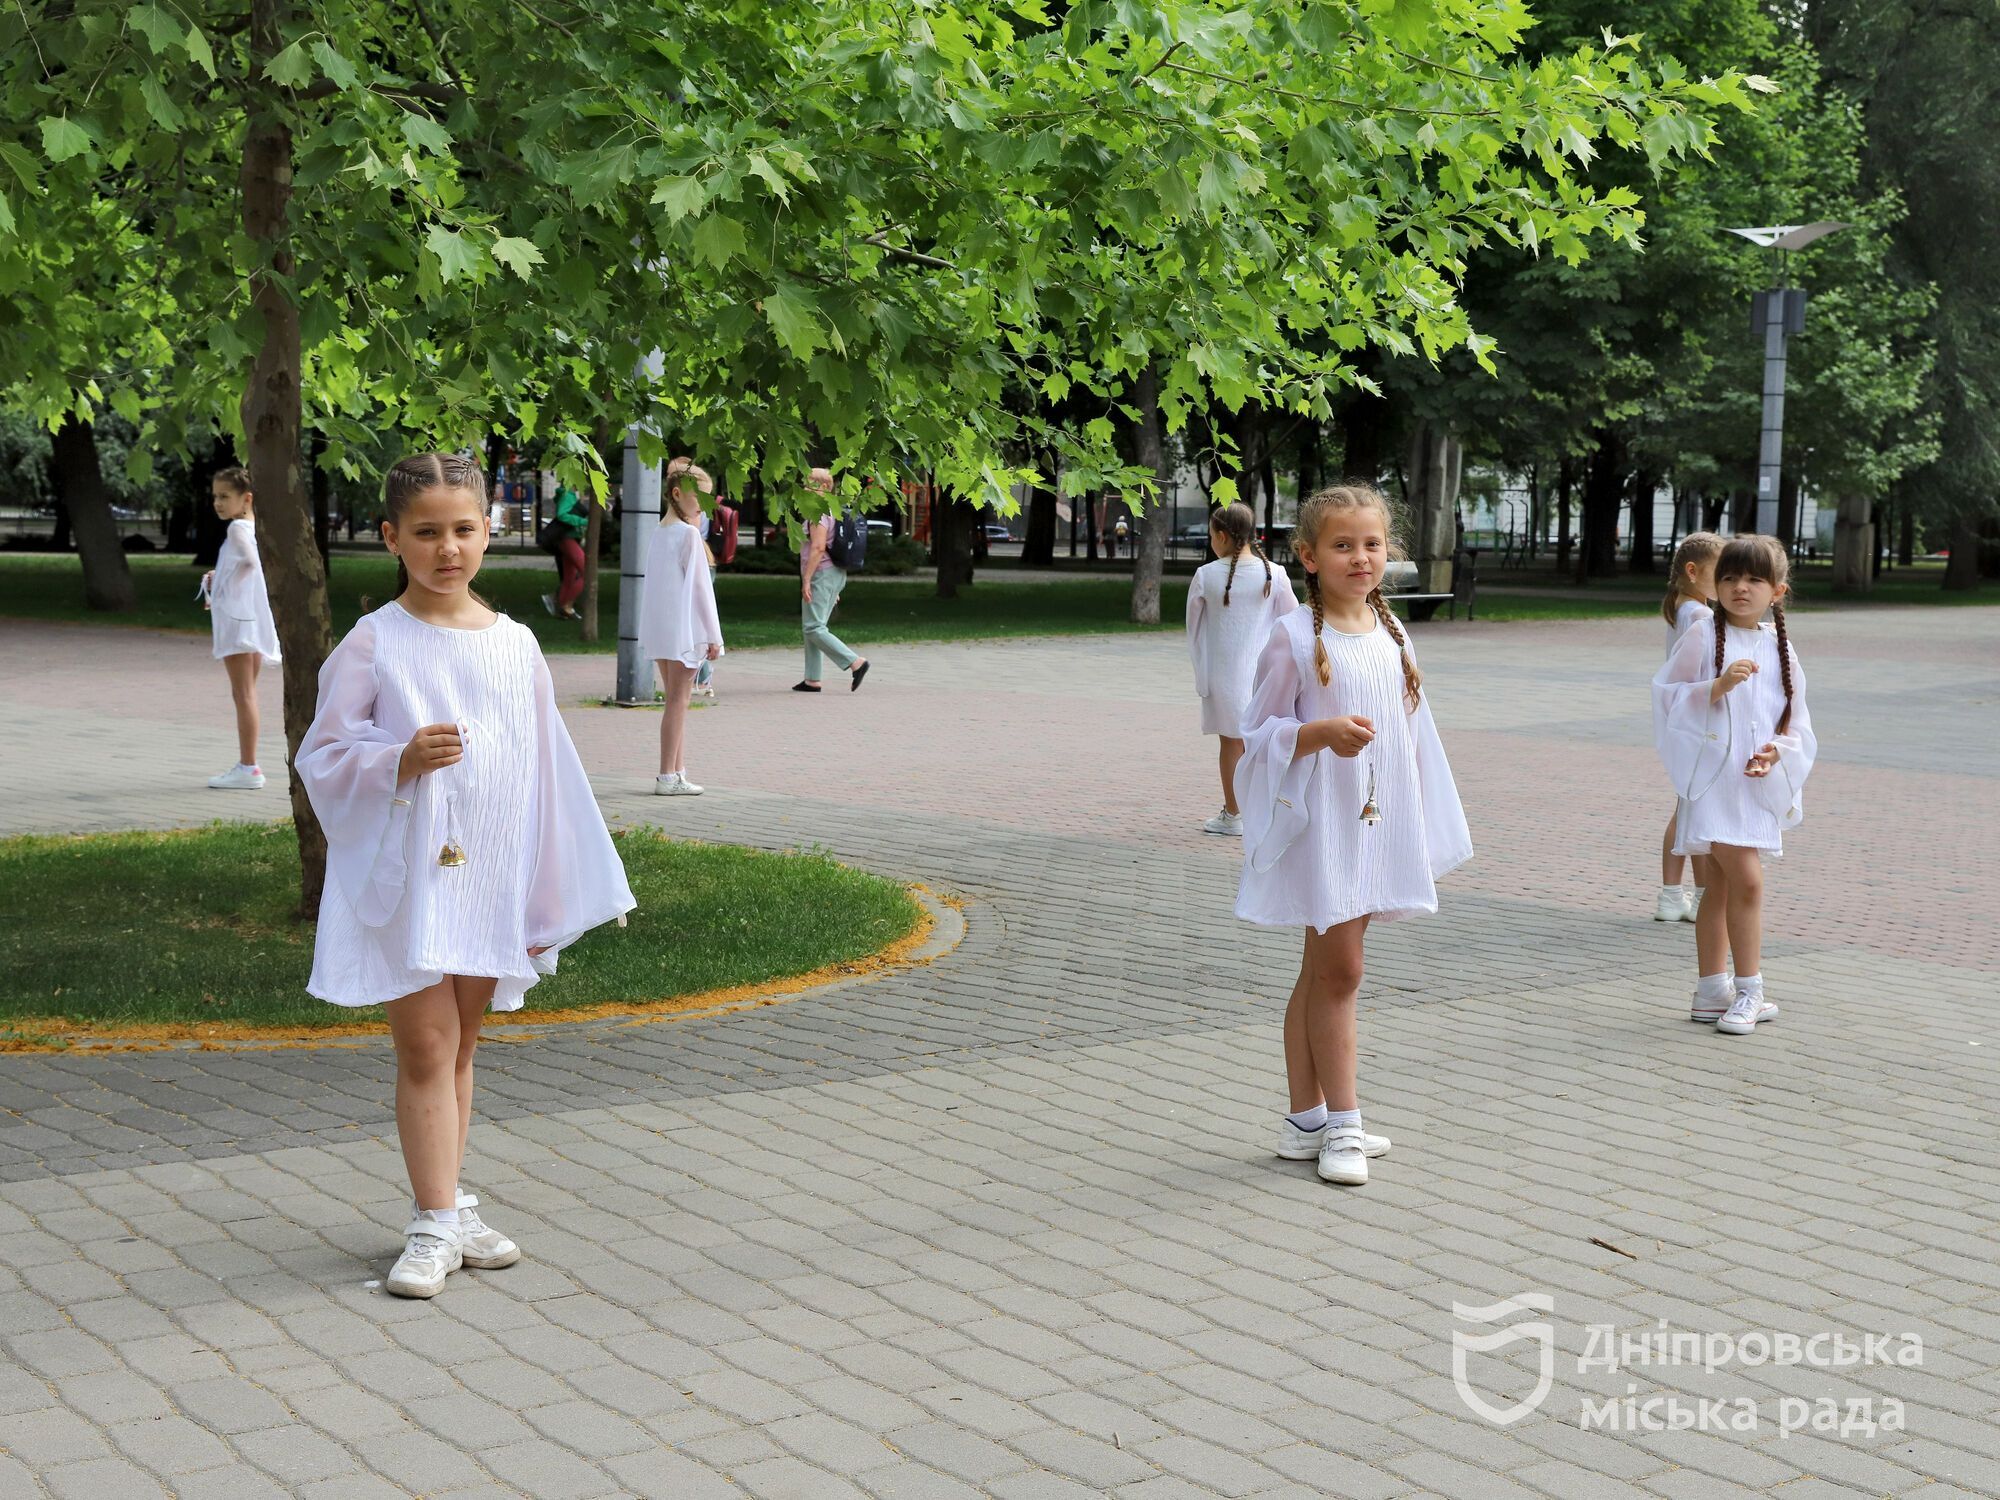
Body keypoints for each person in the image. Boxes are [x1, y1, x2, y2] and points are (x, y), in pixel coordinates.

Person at [297, 452, 635, 1299]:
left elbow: (546, 770)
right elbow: (324, 756)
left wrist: (549, 882)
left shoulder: (517, 645)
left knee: (463, 1048)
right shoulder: (375, 640)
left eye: (463, 530)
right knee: (425, 1044)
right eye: (426, 533)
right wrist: (400, 759)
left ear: (489, 531)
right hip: (411, 880)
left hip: (489, 875)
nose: (447, 548)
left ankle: (450, 1202)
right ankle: (432, 1222)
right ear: (391, 538)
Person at [1234, 485, 1471, 1187]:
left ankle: (1303, 1121)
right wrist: (1317, 735)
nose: (1360, 558)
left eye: (1371, 544)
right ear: (1308, 557)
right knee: (1343, 973)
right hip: (1326, 830)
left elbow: (1413, 736)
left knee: (1321, 971)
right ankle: (1344, 1124)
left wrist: (1423, 816)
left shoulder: (1394, 632)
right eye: (1342, 545)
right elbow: (1256, 735)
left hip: (1375, 825)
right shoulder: (1292, 637)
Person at [1653, 534, 1816, 1036]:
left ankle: (1710, 990)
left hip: (1752, 786)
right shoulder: (1703, 634)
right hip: (1714, 783)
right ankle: (1752, 991)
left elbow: (1797, 722)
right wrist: (1716, 687)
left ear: (1778, 590)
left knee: (1721, 888)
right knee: (1747, 881)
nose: (1739, 587)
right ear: (1714, 583)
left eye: (1753, 579)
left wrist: (1778, 752)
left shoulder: (1782, 648)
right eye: (1729, 577)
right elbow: (1666, 695)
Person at [1186, 502, 1297, 836]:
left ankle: (1234, 813)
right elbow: (1292, 624)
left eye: (1211, 535)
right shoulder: (1274, 574)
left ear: (1221, 535)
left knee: (1231, 744)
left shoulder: (1206, 575)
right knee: (1263, 744)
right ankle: (1266, 812)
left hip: (1223, 673)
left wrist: (1201, 673)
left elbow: (1194, 631)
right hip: (1264, 674)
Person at [640, 460, 724, 794]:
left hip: (663, 629)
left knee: (677, 701)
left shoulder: (660, 533)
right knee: (678, 701)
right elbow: (703, 591)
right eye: (699, 499)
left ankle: (677, 772)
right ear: (677, 494)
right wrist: (714, 636)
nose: (704, 507)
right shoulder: (688, 535)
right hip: (684, 632)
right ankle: (666, 775)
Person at [1654, 532, 1724, 922]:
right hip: (1700, 717)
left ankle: (1682, 895)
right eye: (1722, 572)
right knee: (1691, 810)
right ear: (1694, 572)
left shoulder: (1682, 607)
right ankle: (1689, 895)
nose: (1730, 581)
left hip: (1688, 718)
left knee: (1688, 807)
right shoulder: (1700, 615)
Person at [200, 466, 282, 790]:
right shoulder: (252, 526)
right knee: (248, 694)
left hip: (237, 621)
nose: (218, 503)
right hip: (249, 618)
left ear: (245, 498)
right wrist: (221, 575)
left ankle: (248, 767)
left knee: (243, 694)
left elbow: (251, 563)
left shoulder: (237, 528)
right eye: (215, 497)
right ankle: (248, 765)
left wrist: (223, 580)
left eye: (224, 496)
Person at [795, 466, 870, 693]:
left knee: (813, 627)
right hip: (834, 574)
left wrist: (807, 579)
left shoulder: (817, 510)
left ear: (825, 486)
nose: (805, 488)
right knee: (815, 626)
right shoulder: (832, 509)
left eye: (810, 484)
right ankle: (812, 679)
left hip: (822, 573)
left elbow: (818, 547)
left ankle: (855, 662)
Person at [540, 481, 589, 621]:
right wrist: (582, 522)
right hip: (567, 539)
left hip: (569, 538)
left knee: (569, 576)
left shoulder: (570, 494)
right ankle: (565, 605)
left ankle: (562, 608)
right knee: (587, 571)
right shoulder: (568, 494)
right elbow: (562, 514)